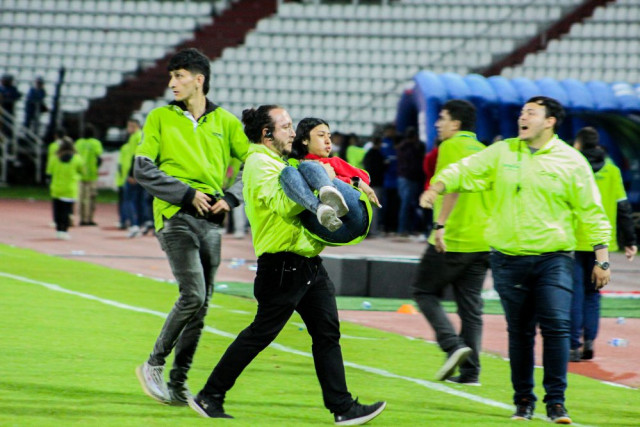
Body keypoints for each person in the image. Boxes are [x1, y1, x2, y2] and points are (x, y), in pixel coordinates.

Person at [188, 105, 386, 425]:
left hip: (305, 261)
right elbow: (282, 206)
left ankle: (342, 407)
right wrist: (316, 194)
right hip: (283, 264)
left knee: (326, 333)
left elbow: (320, 167)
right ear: (267, 134)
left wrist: (340, 180)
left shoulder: (278, 160)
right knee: (260, 334)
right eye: (286, 127)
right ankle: (210, 395)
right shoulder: (259, 164)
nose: (293, 133)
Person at [421, 96, 611, 424]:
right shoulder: (503, 152)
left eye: (531, 113)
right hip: (508, 259)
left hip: (554, 257)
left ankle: (556, 403)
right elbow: (466, 171)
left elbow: (591, 210)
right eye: (521, 112)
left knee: (556, 325)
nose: (522, 117)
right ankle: (523, 401)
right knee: (520, 331)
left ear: (550, 121)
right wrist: (437, 187)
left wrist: (602, 258)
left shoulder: (571, 160)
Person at [133, 48, 249, 406]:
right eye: (171, 77)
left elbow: (255, 164)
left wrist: (230, 198)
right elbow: (142, 167)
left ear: (199, 80)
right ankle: (153, 364)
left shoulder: (227, 122)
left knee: (201, 307)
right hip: (174, 216)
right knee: (194, 294)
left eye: (179, 76)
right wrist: (186, 194)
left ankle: (179, 384)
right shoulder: (159, 118)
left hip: (210, 223)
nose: (172, 83)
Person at [412, 100, 491, 386]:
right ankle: (471, 373)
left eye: (442, 118)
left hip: (453, 238)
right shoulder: (485, 151)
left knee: (423, 291)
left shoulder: (451, 147)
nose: (437, 123)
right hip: (482, 241)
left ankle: (452, 345)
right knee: (470, 307)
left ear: (456, 124)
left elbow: (453, 184)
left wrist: (439, 226)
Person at [570, 127, 637, 362]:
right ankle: (589, 342)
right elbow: (623, 206)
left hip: (575, 239)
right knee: (593, 294)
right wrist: (629, 241)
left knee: (574, 293)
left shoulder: (574, 166)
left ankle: (572, 345)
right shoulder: (611, 170)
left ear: (578, 144)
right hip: (602, 243)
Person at [280, 117, 380, 245]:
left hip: (354, 218)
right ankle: (321, 207)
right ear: (304, 140)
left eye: (329, 136)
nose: (328, 141)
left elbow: (365, 178)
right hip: (328, 229)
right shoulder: (292, 165)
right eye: (321, 135)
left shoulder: (334, 162)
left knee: (308, 167)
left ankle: (328, 190)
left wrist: (351, 181)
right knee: (295, 170)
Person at [48, 137, 84, 240]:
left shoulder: (54, 158)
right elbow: (81, 170)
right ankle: (65, 230)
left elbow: (50, 171)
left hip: (57, 187)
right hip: (70, 188)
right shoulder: (77, 158)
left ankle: (59, 229)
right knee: (67, 211)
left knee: (57, 210)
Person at [396, 127, 425, 237]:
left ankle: (405, 229)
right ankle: (404, 229)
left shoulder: (401, 147)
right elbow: (414, 164)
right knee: (407, 205)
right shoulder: (413, 148)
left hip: (402, 177)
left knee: (405, 204)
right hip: (410, 178)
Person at [75, 124, 103, 226]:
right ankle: (89, 218)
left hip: (80, 174)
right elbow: (99, 158)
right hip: (92, 174)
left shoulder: (78, 143)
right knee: (91, 198)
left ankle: (82, 218)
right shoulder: (96, 143)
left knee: (82, 198)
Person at [115, 119, 141, 230]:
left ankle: (134, 223)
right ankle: (136, 222)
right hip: (132, 173)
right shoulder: (131, 141)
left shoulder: (137, 137)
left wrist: (132, 174)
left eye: (130, 126)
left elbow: (136, 156)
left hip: (133, 174)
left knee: (129, 200)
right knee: (135, 200)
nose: (128, 129)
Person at [363, 133, 385, 237]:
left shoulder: (368, 154)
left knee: (367, 207)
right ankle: (373, 231)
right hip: (377, 183)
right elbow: (381, 169)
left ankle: (365, 230)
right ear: (379, 143)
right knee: (375, 208)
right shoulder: (379, 155)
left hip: (367, 183)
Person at [0, 74, 21, 138]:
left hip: (9, 108)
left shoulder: (12, 89)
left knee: (9, 124)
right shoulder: (1, 89)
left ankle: (9, 136)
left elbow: (17, 96)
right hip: (2, 109)